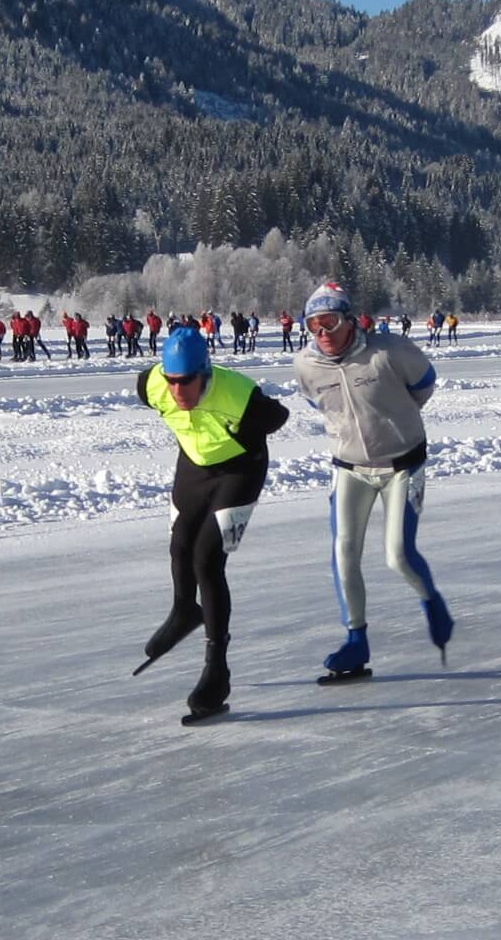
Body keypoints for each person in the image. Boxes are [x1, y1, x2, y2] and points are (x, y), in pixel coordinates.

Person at [132, 325, 290, 724]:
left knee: (206, 560)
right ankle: (184, 609)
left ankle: (216, 670)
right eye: (171, 382)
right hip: (194, 464)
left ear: (206, 374)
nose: (178, 391)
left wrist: (245, 432)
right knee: (179, 544)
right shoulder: (151, 385)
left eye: (187, 382)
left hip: (239, 468)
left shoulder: (239, 395)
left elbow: (278, 416)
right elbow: (150, 387)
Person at [294, 282, 451, 681]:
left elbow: (424, 386)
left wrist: (396, 424)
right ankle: (356, 640)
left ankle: (431, 600)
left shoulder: (390, 351)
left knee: (397, 555)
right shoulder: (306, 366)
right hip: (350, 468)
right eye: (314, 326)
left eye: (329, 322)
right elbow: (319, 403)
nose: (323, 334)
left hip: (403, 466)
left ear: (349, 319)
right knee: (344, 552)